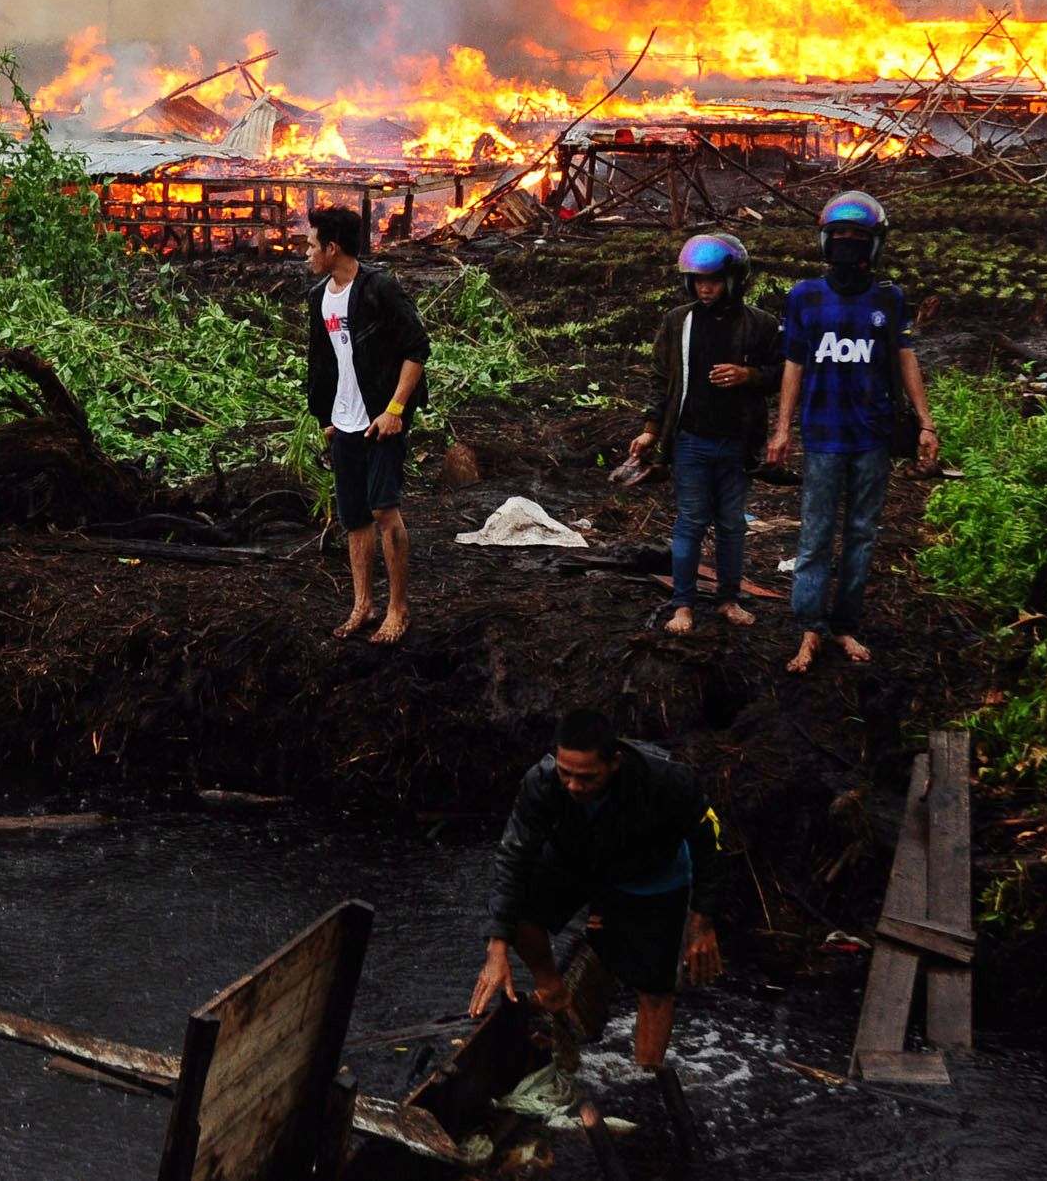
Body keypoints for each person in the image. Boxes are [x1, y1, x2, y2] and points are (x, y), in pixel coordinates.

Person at [468, 707, 724, 1072]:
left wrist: (702, 922)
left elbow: (708, 842)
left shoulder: (667, 780)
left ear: (614, 762)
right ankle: (555, 992)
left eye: (586, 778)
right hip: (581, 862)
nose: (573, 785)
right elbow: (513, 857)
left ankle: (645, 1078)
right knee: (517, 909)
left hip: (652, 874)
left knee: (655, 986)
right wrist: (496, 948)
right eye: (565, 773)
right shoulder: (541, 782)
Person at [767, 191, 935, 674]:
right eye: (839, 237)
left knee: (862, 533)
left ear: (873, 246)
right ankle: (808, 628)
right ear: (825, 242)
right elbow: (793, 365)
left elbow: (905, 360)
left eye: (856, 239)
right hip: (822, 436)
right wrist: (781, 430)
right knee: (816, 534)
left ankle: (845, 624)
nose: (847, 246)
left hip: (873, 437)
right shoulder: (805, 298)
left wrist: (925, 423)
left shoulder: (889, 299)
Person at [623, 231, 779, 633]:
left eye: (712, 280)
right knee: (690, 521)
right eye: (697, 281)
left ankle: (728, 598)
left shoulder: (760, 324)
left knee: (731, 522)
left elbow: (784, 374)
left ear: (733, 280)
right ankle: (683, 605)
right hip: (690, 439)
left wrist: (749, 375)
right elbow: (661, 380)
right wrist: (650, 430)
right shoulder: (679, 322)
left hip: (738, 441)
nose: (704, 288)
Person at [305, 203, 430, 642]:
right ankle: (363, 604)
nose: (306, 251)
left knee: (383, 508)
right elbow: (323, 362)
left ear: (332, 247)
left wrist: (394, 410)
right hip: (344, 423)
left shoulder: (379, 290)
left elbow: (417, 349)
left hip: (382, 418)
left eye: (311, 243)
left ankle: (398, 608)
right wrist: (327, 416)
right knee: (355, 517)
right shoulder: (319, 297)